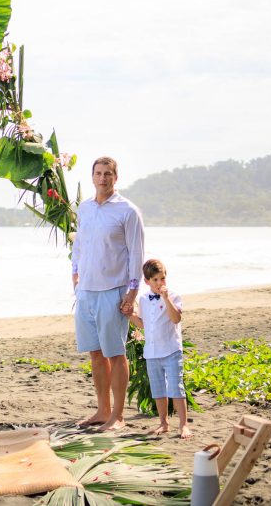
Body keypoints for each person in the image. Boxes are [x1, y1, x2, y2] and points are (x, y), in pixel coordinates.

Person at [71, 156, 144, 431]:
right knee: (95, 354)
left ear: (116, 177)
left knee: (115, 353)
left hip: (113, 290)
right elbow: (80, 244)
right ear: (92, 177)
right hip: (86, 291)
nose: (103, 178)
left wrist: (132, 291)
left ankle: (118, 415)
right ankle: (102, 410)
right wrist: (75, 274)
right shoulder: (85, 208)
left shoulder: (128, 211)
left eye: (108, 174)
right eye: (98, 173)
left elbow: (136, 252)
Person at [129, 259, 193, 439]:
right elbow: (143, 324)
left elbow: (176, 319)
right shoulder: (143, 299)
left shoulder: (174, 296)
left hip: (171, 349)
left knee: (176, 387)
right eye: (155, 280)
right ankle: (163, 423)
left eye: (162, 279)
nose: (159, 283)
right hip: (152, 352)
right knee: (158, 389)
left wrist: (166, 299)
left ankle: (183, 425)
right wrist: (129, 316)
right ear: (146, 281)